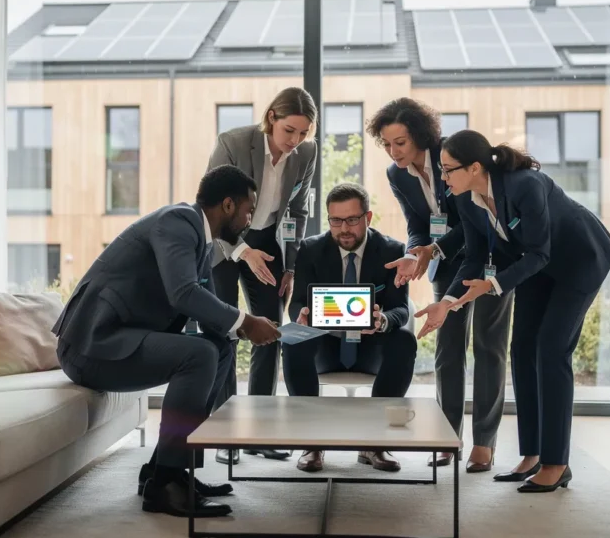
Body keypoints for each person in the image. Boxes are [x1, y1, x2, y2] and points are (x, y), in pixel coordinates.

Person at [51, 165, 282, 517]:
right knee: (201, 354)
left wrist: (244, 331)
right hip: (89, 348)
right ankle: (166, 484)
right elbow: (183, 294)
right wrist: (246, 320)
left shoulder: (201, 241)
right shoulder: (178, 222)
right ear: (229, 205)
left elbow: (204, 309)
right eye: (249, 209)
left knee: (219, 349)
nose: (251, 218)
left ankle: (165, 471)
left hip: (117, 339)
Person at [414, 130, 610, 493]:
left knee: (552, 351)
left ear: (474, 167)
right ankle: (532, 454)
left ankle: (557, 463)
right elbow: (475, 257)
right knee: (522, 350)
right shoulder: (466, 198)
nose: (443, 179)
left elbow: (540, 250)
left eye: (448, 171)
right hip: (537, 268)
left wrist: (492, 285)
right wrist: (447, 302)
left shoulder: (526, 185)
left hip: (578, 261)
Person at [367, 98, 513, 472]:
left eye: (399, 142)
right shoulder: (396, 174)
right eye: (386, 143)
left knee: (488, 345)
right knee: (448, 349)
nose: (393, 150)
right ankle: (449, 438)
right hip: (444, 262)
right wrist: (417, 251)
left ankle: (484, 442)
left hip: (487, 256)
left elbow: (474, 219)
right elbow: (417, 219)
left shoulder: (452, 156)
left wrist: (433, 248)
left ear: (419, 135)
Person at [206, 86, 319, 465]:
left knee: (269, 329)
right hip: (225, 242)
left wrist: (290, 266)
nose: (295, 140)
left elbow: (299, 210)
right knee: (227, 330)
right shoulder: (234, 143)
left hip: (268, 240)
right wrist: (242, 250)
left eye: (303, 133)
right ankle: (227, 435)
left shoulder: (305, 153)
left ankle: (258, 432)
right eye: (290, 131)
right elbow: (208, 209)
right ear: (271, 117)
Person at [282, 183, 418, 473]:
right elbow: (297, 303)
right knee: (292, 339)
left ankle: (374, 443)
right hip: (326, 345)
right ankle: (311, 443)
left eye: (352, 220)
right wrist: (302, 316)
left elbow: (401, 308)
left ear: (367, 218)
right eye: (336, 220)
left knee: (404, 341)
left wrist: (383, 321)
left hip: (371, 347)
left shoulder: (392, 250)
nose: (344, 229)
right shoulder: (310, 249)